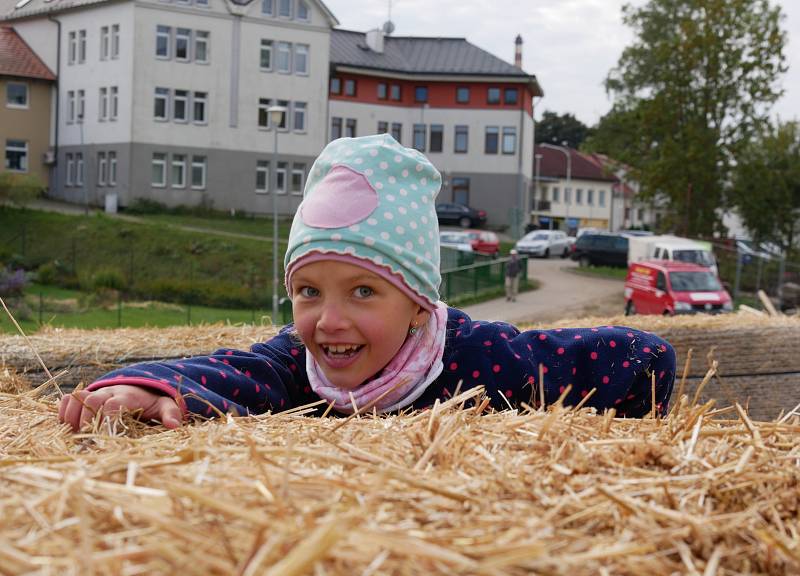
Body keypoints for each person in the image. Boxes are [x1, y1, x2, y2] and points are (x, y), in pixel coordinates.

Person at [58, 134, 676, 431]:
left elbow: (630, 355)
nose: (328, 320)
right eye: (309, 291)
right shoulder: (301, 363)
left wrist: (619, 431)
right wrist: (151, 388)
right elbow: (236, 371)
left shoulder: (480, 359)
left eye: (362, 292)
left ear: (416, 304)